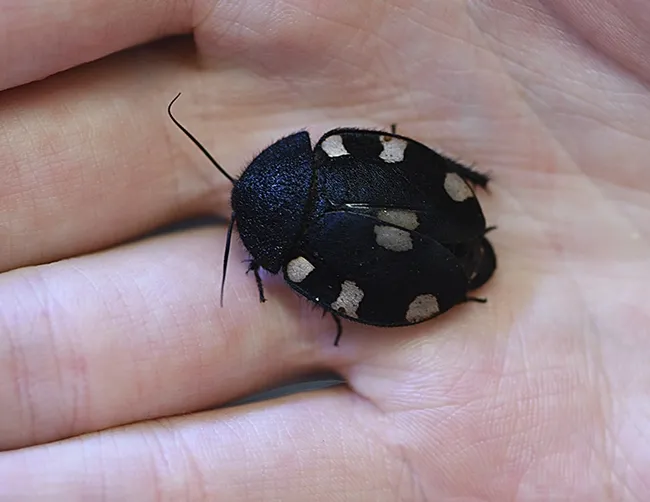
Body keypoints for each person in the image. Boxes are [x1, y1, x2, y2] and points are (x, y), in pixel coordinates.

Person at [1, 1, 648, 500]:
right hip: (441, 220)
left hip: (424, 263)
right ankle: (473, 198)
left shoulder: (297, 258)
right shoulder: (331, 152)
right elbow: (391, 155)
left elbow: (338, 295)